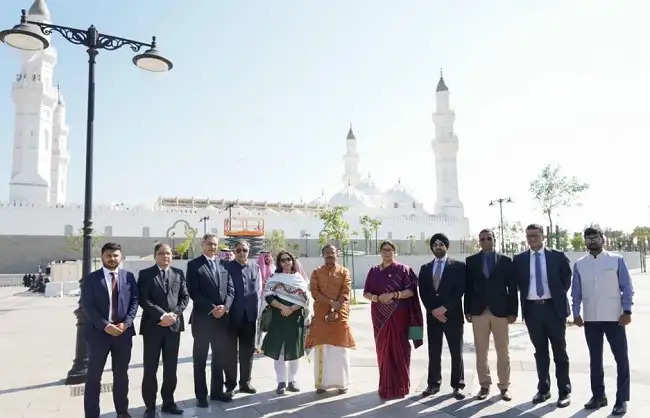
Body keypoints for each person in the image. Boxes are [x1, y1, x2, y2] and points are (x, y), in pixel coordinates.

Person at [571, 226, 634, 416]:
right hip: (591, 319)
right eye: (588, 238)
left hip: (615, 318)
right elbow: (576, 292)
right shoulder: (580, 264)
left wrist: (627, 311)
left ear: (602, 238)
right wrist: (576, 313)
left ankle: (621, 399)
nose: (591, 241)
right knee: (595, 360)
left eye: (595, 237)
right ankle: (598, 396)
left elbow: (627, 287)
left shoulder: (616, 260)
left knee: (621, 359)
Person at [513, 224, 572, 407]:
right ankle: (544, 390)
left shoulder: (557, 256)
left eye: (535, 235)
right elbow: (517, 284)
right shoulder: (520, 259)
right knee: (540, 353)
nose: (532, 239)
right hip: (532, 311)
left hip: (553, 310)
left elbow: (566, 280)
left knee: (559, 352)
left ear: (542, 235)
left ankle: (564, 392)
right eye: (528, 236)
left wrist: (555, 297)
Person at [81, 242, 139, 418]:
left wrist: (126, 323)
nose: (112, 259)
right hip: (99, 334)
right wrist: (105, 325)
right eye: (109, 255)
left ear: (121, 257)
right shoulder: (91, 279)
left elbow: (134, 301)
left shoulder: (128, 277)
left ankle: (122, 412)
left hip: (123, 334)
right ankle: (92, 414)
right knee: (93, 377)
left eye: (115, 255)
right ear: (102, 257)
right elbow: (88, 306)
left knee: (121, 375)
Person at [363, 240, 423, 399]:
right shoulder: (373, 271)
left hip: (399, 316)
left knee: (401, 350)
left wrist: (394, 294)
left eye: (390, 250)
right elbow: (366, 293)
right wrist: (377, 298)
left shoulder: (403, 270)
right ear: (380, 252)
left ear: (394, 252)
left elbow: (411, 291)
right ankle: (385, 387)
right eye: (384, 250)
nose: (387, 252)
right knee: (383, 351)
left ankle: (401, 387)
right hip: (379, 318)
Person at [465, 229, 517, 401]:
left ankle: (504, 386)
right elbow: (468, 288)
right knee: (481, 351)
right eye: (482, 239)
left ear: (494, 239)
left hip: (500, 312)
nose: (485, 241)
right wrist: (467, 310)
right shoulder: (471, 261)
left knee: (503, 351)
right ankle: (484, 385)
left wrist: (513, 312)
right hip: (479, 312)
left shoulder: (506, 261)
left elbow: (512, 289)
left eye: (489, 238)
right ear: (478, 241)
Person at [138, 243, 189, 417]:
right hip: (153, 328)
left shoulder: (179, 274)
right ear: (155, 256)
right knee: (150, 369)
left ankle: (168, 403)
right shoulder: (145, 275)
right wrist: (162, 316)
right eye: (161, 253)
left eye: (168, 254)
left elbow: (184, 298)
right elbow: (144, 300)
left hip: (173, 328)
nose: (165, 256)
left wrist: (173, 315)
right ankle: (150, 407)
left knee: (171, 369)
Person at [186, 234, 235, 406]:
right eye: (209, 244)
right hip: (203, 319)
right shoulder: (193, 265)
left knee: (219, 358)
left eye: (215, 244)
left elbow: (231, 290)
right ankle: (201, 395)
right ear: (202, 245)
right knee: (199, 359)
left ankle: (217, 392)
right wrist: (212, 308)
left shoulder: (224, 265)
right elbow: (193, 291)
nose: (212, 247)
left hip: (222, 320)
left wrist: (225, 307)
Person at [418, 233, 466, 399]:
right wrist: (433, 310)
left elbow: (459, 290)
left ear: (447, 246)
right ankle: (433, 384)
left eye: (441, 244)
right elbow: (423, 292)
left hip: (452, 316)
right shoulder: (425, 269)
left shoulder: (459, 266)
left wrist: (444, 308)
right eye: (435, 244)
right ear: (431, 248)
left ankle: (458, 385)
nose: (438, 247)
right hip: (433, 318)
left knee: (456, 352)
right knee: (434, 351)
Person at [305, 244, 356, 394]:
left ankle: (342, 384)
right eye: (326, 253)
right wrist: (330, 303)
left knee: (340, 350)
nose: (329, 255)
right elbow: (314, 292)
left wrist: (336, 307)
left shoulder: (344, 272)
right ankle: (321, 384)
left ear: (337, 254)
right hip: (321, 315)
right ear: (323, 255)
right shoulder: (316, 272)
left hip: (340, 315)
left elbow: (346, 291)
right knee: (322, 349)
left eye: (332, 252)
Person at [262, 250, 312, 394]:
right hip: (278, 319)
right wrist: (283, 307)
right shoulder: (275, 277)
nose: (286, 262)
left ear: (293, 261)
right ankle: (281, 382)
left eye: (288, 259)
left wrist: (292, 308)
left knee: (294, 351)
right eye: (283, 260)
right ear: (279, 263)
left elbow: (305, 299)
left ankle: (292, 381)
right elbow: (268, 296)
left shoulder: (299, 279)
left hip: (295, 319)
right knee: (280, 351)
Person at [225, 240, 261, 394]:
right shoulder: (226, 267)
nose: (241, 253)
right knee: (230, 353)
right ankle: (231, 385)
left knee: (247, 351)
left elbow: (258, 291)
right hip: (232, 317)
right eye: (238, 250)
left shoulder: (255, 267)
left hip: (250, 317)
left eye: (244, 250)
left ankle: (245, 383)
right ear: (234, 251)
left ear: (249, 250)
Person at [255, 251, 275, 350]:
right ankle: (256, 345)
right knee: (258, 323)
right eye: (265, 256)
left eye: (268, 256)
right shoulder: (256, 268)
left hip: (270, 298)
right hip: (259, 298)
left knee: (269, 322)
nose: (267, 258)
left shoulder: (274, 268)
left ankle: (265, 345)